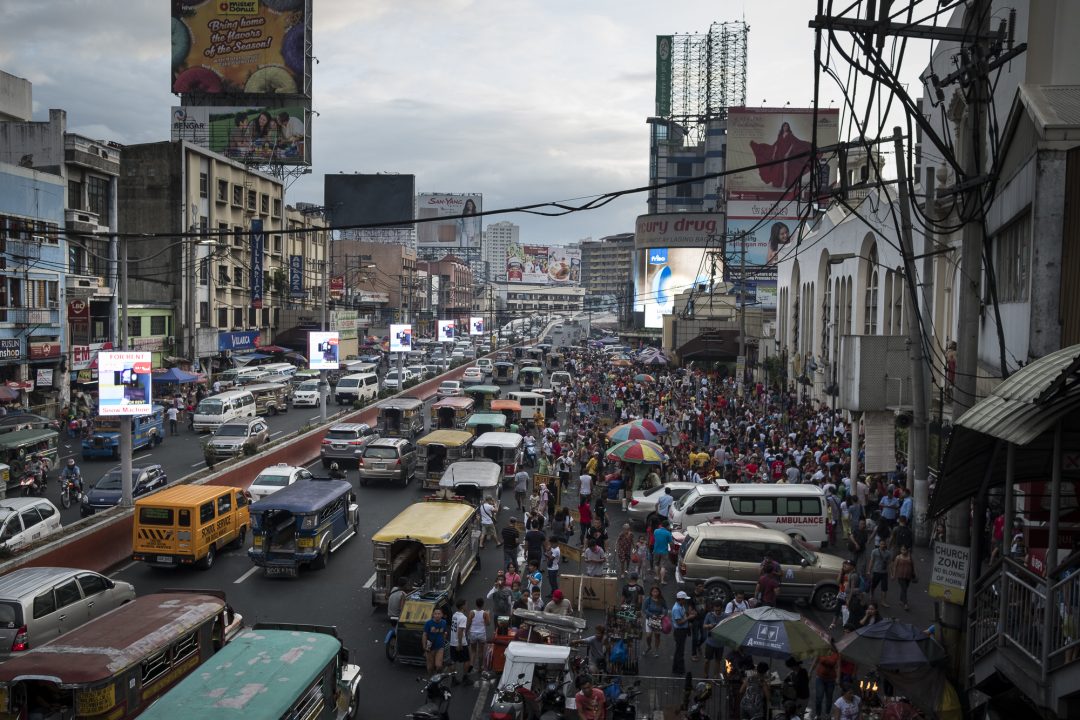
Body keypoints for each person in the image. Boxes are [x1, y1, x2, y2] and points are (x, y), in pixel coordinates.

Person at [812, 647, 840, 720]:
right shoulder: (821, 651)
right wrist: (810, 671)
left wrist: (838, 678)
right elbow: (816, 661)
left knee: (829, 698)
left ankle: (827, 714)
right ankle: (818, 715)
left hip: (831, 680)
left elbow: (838, 667)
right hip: (820, 678)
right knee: (819, 697)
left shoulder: (837, 654)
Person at [466, 598, 490, 679]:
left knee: (473, 651)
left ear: (476, 604)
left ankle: (471, 665)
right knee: (481, 651)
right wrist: (488, 615)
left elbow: (468, 623)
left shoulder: (472, 612)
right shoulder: (485, 613)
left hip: (473, 633)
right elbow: (488, 624)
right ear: (483, 604)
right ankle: (480, 667)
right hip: (481, 634)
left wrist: (466, 632)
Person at [702, 600, 725, 678]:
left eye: (719, 610)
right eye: (715, 610)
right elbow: (704, 626)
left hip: (720, 644)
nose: (717, 612)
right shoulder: (709, 615)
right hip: (710, 643)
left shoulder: (725, 616)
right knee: (707, 661)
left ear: (722, 609)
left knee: (718, 661)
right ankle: (705, 674)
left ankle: (715, 676)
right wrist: (710, 626)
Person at [889, 545, 917, 610]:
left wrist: (915, 573)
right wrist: (893, 575)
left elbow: (913, 565)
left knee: (905, 589)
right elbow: (895, 566)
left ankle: (901, 600)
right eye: (902, 550)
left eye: (904, 550)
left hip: (908, 576)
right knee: (904, 589)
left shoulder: (910, 557)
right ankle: (906, 604)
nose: (903, 551)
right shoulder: (898, 557)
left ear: (907, 550)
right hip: (901, 576)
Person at [671, 590, 692, 675]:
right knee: (679, 651)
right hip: (679, 632)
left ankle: (677, 668)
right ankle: (679, 669)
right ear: (680, 599)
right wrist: (689, 618)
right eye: (684, 599)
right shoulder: (676, 609)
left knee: (679, 650)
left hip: (682, 631)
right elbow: (679, 622)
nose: (685, 601)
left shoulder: (681, 606)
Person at [422, 607, 448, 675]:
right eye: (435, 614)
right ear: (433, 615)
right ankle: (431, 679)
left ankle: (438, 678)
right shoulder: (428, 623)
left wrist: (443, 641)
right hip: (430, 648)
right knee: (430, 667)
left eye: (439, 614)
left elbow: (445, 632)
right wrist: (424, 646)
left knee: (439, 666)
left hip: (440, 647)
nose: (437, 615)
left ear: (442, 615)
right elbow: (424, 635)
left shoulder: (444, 622)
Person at [642, 585, 667, 657]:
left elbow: (665, 608)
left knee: (657, 636)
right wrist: (651, 615)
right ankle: (649, 646)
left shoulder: (661, 600)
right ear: (651, 592)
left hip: (658, 620)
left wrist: (663, 614)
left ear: (659, 592)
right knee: (648, 635)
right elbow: (644, 609)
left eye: (657, 591)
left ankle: (656, 650)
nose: (655, 593)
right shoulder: (648, 599)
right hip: (649, 619)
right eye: (654, 591)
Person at [450, 599, 470, 683]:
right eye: (466, 604)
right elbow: (460, 631)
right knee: (467, 660)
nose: (466, 606)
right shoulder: (463, 617)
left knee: (453, 661)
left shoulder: (454, 615)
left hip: (452, 642)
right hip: (461, 642)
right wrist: (460, 643)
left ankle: (453, 679)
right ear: (462, 606)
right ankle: (465, 678)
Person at [869, 538, 893, 607]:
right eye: (881, 544)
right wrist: (869, 571)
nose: (883, 545)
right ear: (879, 544)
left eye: (884, 544)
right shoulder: (874, 551)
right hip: (876, 571)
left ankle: (883, 601)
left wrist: (891, 574)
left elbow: (889, 563)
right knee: (873, 585)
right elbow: (871, 561)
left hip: (884, 573)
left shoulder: (888, 553)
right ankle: (871, 595)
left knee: (884, 587)